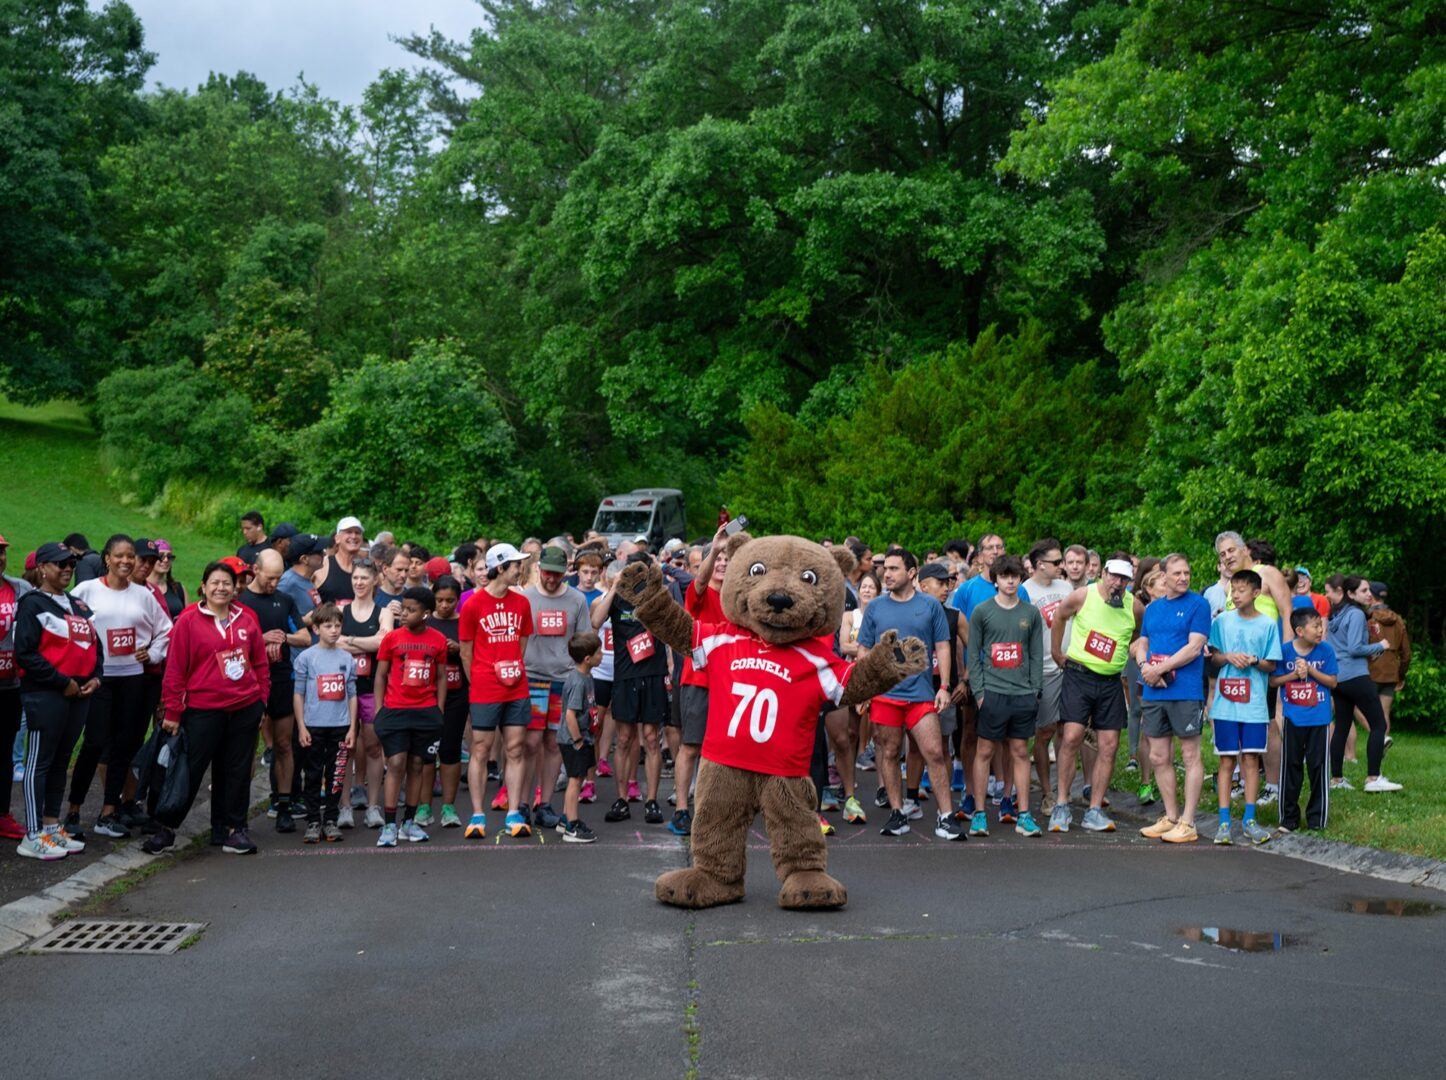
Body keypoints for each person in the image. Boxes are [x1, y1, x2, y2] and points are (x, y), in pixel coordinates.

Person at [145, 560, 269, 855]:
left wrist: (261, 700)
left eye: (227, 583)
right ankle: (167, 828)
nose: (221, 588)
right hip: (202, 710)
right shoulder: (188, 621)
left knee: (237, 771)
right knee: (189, 770)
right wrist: (173, 711)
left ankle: (232, 830)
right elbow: (174, 671)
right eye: (214, 582)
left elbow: (260, 664)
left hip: (244, 708)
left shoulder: (246, 620)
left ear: (235, 588)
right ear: (203, 586)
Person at [67, 534, 173, 839]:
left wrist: (152, 653)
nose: (126, 561)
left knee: (125, 745)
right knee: (95, 742)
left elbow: (166, 630)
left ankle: (109, 812)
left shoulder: (143, 595)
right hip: (100, 677)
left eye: (130, 556)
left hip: (133, 677)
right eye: (120, 556)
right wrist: (81, 660)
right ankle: (73, 811)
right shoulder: (86, 590)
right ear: (107, 559)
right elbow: (67, 622)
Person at [858, 548, 962, 840]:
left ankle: (946, 817)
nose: (886, 574)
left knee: (934, 752)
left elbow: (943, 646)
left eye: (893, 569)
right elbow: (864, 649)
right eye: (885, 569)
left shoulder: (930, 606)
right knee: (889, 752)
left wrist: (944, 687)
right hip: (885, 695)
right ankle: (896, 813)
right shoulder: (876, 607)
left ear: (912, 573)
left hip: (921, 695)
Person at [13, 543, 101, 859]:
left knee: (61, 761)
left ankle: (51, 827)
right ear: (42, 568)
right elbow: (25, 653)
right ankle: (32, 833)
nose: (67, 568)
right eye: (60, 563)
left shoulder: (77, 605)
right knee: (40, 762)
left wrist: (96, 676)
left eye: (71, 563)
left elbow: (95, 645)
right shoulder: (32, 604)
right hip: (46, 695)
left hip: (79, 695)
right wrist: (62, 682)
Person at [1048, 554, 1144, 834]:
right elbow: (1059, 617)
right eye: (1113, 577)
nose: (1117, 584)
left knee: (1110, 744)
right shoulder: (1083, 596)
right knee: (1072, 735)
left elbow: (1139, 633)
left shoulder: (1135, 606)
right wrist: (1056, 652)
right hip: (1079, 674)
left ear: (1130, 581)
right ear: (1103, 573)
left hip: (1111, 681)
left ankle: (1093, 809)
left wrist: (1129, 651)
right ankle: (1062, 804)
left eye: (1124, 579)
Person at [1133, 554, 1211, 844]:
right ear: (1162, 576)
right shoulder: (1153, 609)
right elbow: (1143, 644)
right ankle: (1171, 817)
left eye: (1187, 573)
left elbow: (1194, 647)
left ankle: (1189, 822)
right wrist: (1145, 668)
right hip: (1154, 690)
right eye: (1177, 573)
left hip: (1185, 691)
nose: (1183, 577)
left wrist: (1160, 669)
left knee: (1190, 755)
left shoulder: (1198, 604)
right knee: (1158, 755)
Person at [966, 556, 1044, 837]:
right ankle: (978, 814)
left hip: (1023, 694)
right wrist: (979, 692)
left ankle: (1024, 814)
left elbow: (1036, 653)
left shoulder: (1031, 613)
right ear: (996, 579)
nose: (1010, 581)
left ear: (1020, 579)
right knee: (984, 751)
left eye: (1014, 576)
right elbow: (973, 654)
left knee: (1020, 752)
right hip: (992, 694)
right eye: (1004, 576)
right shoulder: (981, 611)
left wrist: (1036, 689)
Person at [460, 543, 534, 839]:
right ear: (501, 567)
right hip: (485, 687)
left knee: (515, 748)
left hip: (516, 686)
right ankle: (477, 815)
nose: (520, 569)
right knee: (480, 748)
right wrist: (479, 679)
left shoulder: (522, 603)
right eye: (516, 564)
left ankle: (514, 812)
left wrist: (512, 667)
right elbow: (466, 652)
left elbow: (523, 643)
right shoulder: (473, 605)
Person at [236, 549, 311, 833]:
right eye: (270, 578)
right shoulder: (242, 602)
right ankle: (237, 813)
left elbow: (304, 637)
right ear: (255, 570)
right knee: (244, 749)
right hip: (247, 682)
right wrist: (259, 638)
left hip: (281, 679)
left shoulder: (285, 600)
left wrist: (283, 637)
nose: (274, 583)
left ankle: (283, 805)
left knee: (283, 745)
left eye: (279, 578)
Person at [1207, 569, 1282, 845]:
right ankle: (1224, 822)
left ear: (1255, 593)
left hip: (1254, 705)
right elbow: (1213, 657)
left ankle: (1250, 820)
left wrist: (1253, 660)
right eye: (1232, 590)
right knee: (1226, 760)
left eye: (1240, 590)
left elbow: (1272, 665)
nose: (1234, 595)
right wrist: (1228, 656)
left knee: (1251, 759)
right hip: (1226, 704)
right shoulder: (1222, 621)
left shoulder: (1268, 625)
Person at [594, 552, 669, 827]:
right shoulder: (618, 598)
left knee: (651, 739)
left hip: (652, 673)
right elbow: (595, 621)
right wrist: (614, 586)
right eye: (633, 570)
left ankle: (651, 801)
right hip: (625, 675)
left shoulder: (658, 597)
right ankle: (622, 799)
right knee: (624, 740)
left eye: (643, 570)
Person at [372, 586, 450, 847]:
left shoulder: (437, 639)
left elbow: (441, 677)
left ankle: (409, 822)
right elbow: (381, 675)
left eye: (411, 610)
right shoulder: (392, 639)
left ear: (426, 613)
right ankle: (390, 824)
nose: (404, 614)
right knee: (395, 763)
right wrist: (380, 709)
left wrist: (438, 709)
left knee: (417, 765)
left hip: (426, 712)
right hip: (395, 710)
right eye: (403, 609)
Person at [522, 545, 591, 831]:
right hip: (532, 676)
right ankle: (522, 803)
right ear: (538, 569)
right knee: (530, 743)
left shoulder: (576, 600)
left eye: (558, 575)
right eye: (548, 573)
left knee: (554, 743)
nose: (552, 579)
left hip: (563, 680)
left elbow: (585, 637)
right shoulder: (525, 598)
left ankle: (545, 803)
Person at [671, 523, 731, 835]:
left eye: (726, 559)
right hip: (698, 679)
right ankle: (682, 809)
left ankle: (713, 811)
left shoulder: (739, 599)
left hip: (731, 683)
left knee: (721, 753)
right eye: (717, 559)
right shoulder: (699, 594)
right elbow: (701, 578)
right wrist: (716, 548)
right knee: (691, 747)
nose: (722, 563)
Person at [1325, 574, 1399, 792]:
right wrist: (1381, 646)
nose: (1369, 594)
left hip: (1339, 679)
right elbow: (1354, 648)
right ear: (1350, 593)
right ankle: (1373, 778)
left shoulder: (1335, 614)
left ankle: (1336, 779)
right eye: (1364, 590)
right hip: (1356, 677)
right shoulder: (1356, 614)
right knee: (1378, 725)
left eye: (1369, 590)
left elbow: (1341, 648)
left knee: (1342, 728)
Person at [291, 604, 358, 842]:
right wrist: (301, 726)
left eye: (337, 625)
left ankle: (330, 818)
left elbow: (352, 694)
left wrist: (352, 727)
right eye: (328, 626)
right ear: (316, 629)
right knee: (312, 773)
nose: (334, 630)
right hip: (313, 726)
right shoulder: (306, 658)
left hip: (339, 726)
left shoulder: (347, 658)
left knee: (336, 773)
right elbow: (298, 694)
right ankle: (312, 820)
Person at [1270, 608, 1338, 833]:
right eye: (1316, 626)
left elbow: (1332, 682)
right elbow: (1273, 681)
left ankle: (1316, 818)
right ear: (1299, 630)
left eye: (1321, 625)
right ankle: (1288, 818)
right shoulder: (1285, 651)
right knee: (1291, 767)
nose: (1321, 630)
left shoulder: (1326, 651)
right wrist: (1294, 675)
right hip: (1293, 718)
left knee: (1318, 767)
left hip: (1319, 718)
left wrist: (1310, 670)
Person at [339, 560, 393, 827]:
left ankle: (373, 806)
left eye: (364, 578)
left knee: (373, 746)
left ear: (374, 581)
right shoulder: (341, 610)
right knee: (345, 748)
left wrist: (348, 640)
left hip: (372, 689)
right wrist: (365, 644)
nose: (359, 583)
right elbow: (330, 640)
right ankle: (345, 806)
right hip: (344, 690)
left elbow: (385, 643)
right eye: (355, 578)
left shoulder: (383, 613)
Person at [1023, 539, 1072, 813]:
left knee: (1068, 732)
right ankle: (1046, 792)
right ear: (1040, 564)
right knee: (1044, 732)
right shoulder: (1025, 591)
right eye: (1056, 562)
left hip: (1070, 667)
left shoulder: (1066, 588)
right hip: (1042, 670)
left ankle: (1064, 792)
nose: (1061, 566)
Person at [426, 576, 468, 829]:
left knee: (450, 749)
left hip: (457, 693)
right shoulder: (425, 623)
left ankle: (449, 807)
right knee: (425, 752)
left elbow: (476, 656)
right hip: (427, 694)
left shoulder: (464, 624)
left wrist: (459, 650)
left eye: (450, 601)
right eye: (439, 600)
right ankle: (422, 806)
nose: (444, 605)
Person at [0, 532, 34, 841]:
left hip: (10, 687)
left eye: (2, 552)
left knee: (5, 754)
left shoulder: (19, 589)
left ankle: (3, 814)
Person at [558, 631, 603, 842]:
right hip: (574, 740)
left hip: (584, 737)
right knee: (575, 780)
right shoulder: (578, 682)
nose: (602, 655)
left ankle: (565, 818)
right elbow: (570, 715)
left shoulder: (587, 676)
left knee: (579, 777)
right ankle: (572, 827)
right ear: (588, 658)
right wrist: (577, 740)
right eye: (598, 652)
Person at [1365, 582, 1410, 736]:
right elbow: (1406, 653)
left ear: (1371, 596)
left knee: (1362, 711)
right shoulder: (1398, 619)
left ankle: (1377, 745)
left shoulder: (1367, 618)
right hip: (1391, 672)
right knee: (1384, 713)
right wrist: (1401, 674)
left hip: (1370, 671)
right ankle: (1382, 745)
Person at [315, 517, 365, 604]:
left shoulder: (368, 567)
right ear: (337, 538)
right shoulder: (323, 565)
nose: (354, 536)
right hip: (327, 617)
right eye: (349, 532)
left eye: (357, 532)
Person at [149, 539, 188, 618]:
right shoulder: (140, 587)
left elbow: (188, 620)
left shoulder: (179, 589)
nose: (166, 560)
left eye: (169, 556)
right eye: (161, 556)